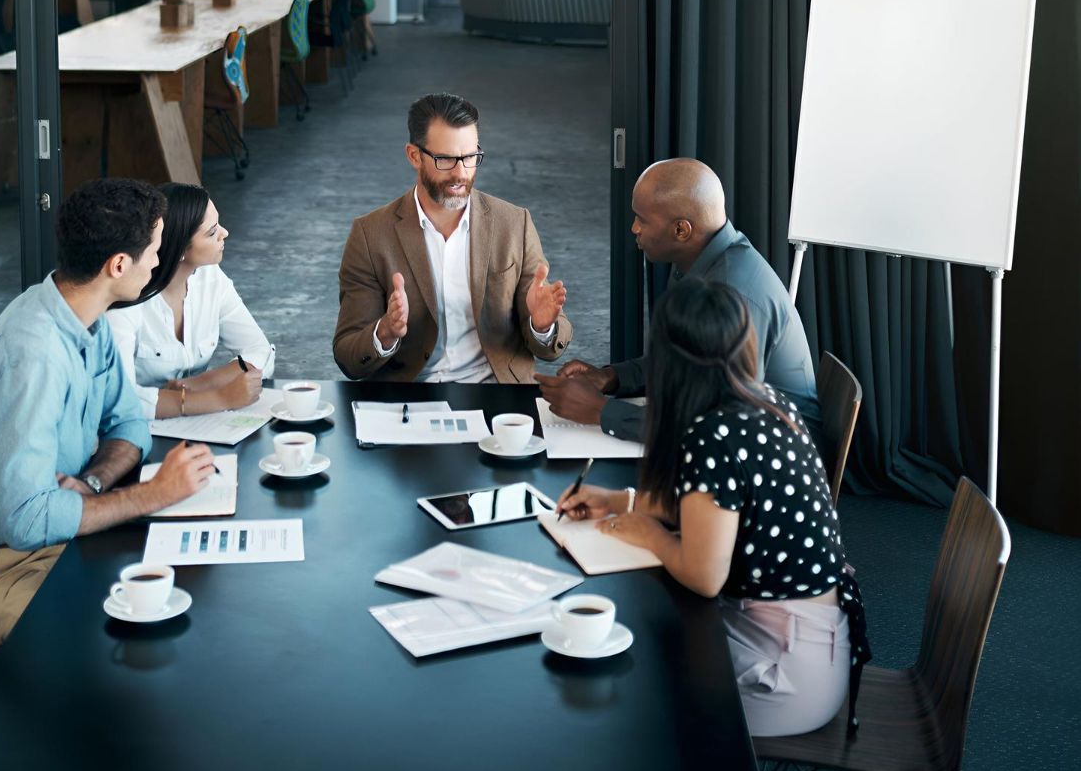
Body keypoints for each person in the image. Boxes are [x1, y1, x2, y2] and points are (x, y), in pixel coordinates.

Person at [559, 279, 869, 737]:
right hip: (813, 639)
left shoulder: (713, 437)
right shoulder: (765, 402)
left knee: (626, 690)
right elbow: (723, 513)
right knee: (644, 636)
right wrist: (621, 501)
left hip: (788, 673)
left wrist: (650, 533)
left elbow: (705, 578)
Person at [0, 178, 218, 648]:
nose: (160, 263)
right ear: (119, 264)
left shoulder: (84, 315)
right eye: (154, 252)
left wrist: (95, 483)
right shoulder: (34, 356)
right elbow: (26, 521)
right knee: (136, 632)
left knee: (183, 597)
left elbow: (128, 424)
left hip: (53, 543)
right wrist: (153, 495)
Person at [538, 158, 820, 444]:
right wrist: (611, 377)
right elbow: (684, 363)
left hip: (777, 454)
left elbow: (714, 424)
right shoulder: (699, 258)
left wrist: (600, 411)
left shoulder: (733, 296)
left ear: (681, 230)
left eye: (643, 219)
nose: (634, 228)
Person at [333, 92, 571, 383]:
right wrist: (384, 333)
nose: (460, 173)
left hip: (494, 392)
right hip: (410, 397)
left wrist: (541, 325)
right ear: (414, 156)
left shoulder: (514, 224)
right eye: (445, 159)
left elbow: (548, 348)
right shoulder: (370, 235)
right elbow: (348, 357)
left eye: (470, 157)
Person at [107, 182, 273, 420]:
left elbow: (260, 350)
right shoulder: (128, 299)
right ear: (180, 248)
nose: (225, 233)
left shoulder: (210, 277)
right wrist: (221, 397)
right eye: (212, 231)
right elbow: (121, 401)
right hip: (134, 432)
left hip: (196, 426)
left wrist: (198, 383)